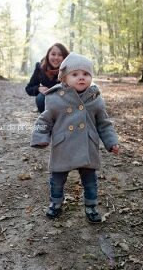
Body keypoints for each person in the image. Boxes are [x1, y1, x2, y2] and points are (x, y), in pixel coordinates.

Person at [30, 52, 119, 223]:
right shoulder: (55, 98)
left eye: (86, 74)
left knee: (90, 180)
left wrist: (111, 142)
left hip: (87, 145)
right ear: (64, 78)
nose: (81, 78)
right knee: (57, 180)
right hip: (63, 145)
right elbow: (44, 120)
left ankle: (91, 206)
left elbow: (104, 123)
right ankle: (55, 203)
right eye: (75, 74)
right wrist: (40, 136)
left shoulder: (95, 98)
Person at [25, 43, 69, 113]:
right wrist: (38, 88)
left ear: (65, 57)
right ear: (48, 55)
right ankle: (46, 119)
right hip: (48, 99)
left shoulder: (69, 68)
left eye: (60, 55)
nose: (56, 58)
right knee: (40, 98)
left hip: (65, 100)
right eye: (53, 54)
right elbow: (29, 88)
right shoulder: (40, 67)